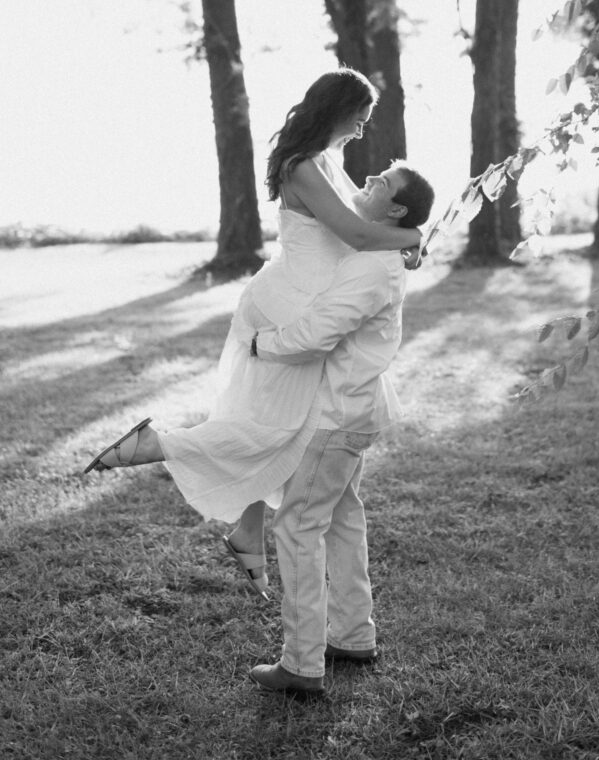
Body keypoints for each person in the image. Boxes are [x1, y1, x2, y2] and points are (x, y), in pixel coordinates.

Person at [84, 68, 423, 599]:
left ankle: (247, 532)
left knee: (273, 418)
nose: (363, 129)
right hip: (290, 305)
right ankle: (157, 445)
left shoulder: (326, 160)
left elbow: (366, 224)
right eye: (360, 118)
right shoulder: (302, 165)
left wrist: (403, 242)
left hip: (307, 298)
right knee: (280, 425)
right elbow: (358, 234)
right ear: (337, 109)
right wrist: (414, 235)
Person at [245, 161, 435, 696]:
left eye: (381, 183)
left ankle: (301, 664)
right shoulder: (378, 252)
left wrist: (261, 344)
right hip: (352, 410)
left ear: (395, 209)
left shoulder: (373, 266)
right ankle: (353, 635)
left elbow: (317, 334)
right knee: (343, 518)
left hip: (335, 416)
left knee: (298, 527)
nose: (368, 181)